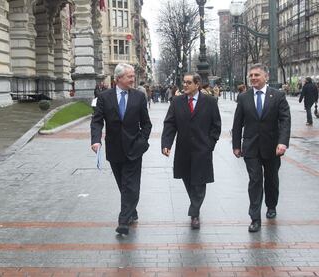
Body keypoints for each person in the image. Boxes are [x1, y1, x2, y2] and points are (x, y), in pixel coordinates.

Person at [90, 63, 152, 235]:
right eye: (129, 76)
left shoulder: (139, 97)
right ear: (118, 79)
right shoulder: (104, 97)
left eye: (133, 76)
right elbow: (97, 121)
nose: (133, 79)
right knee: (123, 185)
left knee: (130, 185)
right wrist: (96, 140)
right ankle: (131, 211)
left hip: (134, 149)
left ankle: (123, 221)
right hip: (115, 149)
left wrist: (142, 141)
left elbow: (146, 124)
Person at [232, 63, 291, 233]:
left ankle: (271, 205)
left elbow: (285, 120)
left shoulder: (278, 95)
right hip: (251, 147)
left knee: (271, 179)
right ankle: (255, 218)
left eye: (256, 75)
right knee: (255, 181)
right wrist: (236, 145)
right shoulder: (244, 97)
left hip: (272, 147)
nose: (253, 78)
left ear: (266, 77)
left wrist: (282, 142)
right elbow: (237, 123)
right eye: (251, 75)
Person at [161, 73, 221, 230]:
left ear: (197, 84)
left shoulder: (210, 102)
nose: (185, 85)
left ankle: (194, 213)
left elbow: (216, 126)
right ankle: (195, 207)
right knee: (188, 180)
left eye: (188, 83)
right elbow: (170, 124)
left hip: (203, 150)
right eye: (184, 82)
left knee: (199, 182)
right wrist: (166, 144)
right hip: (184, 150)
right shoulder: (177, 102)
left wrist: (210, 144)